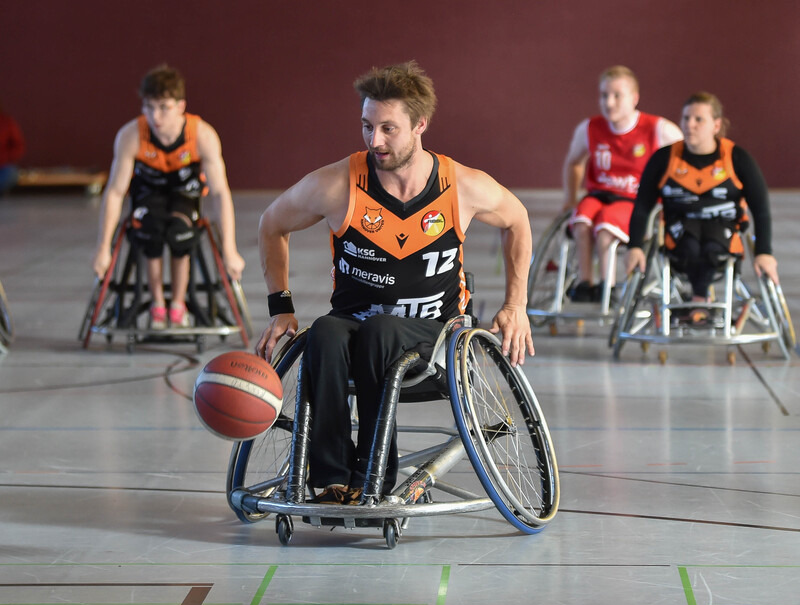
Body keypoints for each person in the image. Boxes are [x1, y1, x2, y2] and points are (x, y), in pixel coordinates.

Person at [255, 61, 534, 504]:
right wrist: (281, 307)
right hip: (354, 326)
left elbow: (517, 219)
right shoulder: (338, 184)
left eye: (388, 128)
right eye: (367, 127)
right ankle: (331, 480)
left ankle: (373, 477)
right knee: (324, 332)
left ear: (420, 124)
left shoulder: (459, 185)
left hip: (437, 336)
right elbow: (272, 224)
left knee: (383, 332)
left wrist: (515, 305)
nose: (375, 140)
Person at [92, 65, 244, 329]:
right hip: (148, 196)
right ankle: (157, 305)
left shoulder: (202, 135)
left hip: (185, 196)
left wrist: (230, 249)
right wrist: (102, 249)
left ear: (181, 106)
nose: (155, 115)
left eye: (164, 107)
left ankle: (177, 305)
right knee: (149, 231)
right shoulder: (131, 135)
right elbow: (115, 192)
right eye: (149, 107)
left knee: (180, 233)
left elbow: (220, 192)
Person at [625, 92, 777, 325]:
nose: (690, 125)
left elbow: (761, 210)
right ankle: (699, 302)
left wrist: (764, 252)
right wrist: (634, 246)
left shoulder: (737, 158)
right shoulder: (664, 158)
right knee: (689, 246)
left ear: (716, 125)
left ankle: (700, 302)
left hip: (723, 227)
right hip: (680, 227)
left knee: (713, 247)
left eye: (698, 120)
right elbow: (642, 206)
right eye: (686, 118)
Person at [561, 65, 682, 302]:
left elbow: (687, 163)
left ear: (634, 98)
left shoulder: (658, 129)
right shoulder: (589, 128)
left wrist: (673, 206)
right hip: (599, 194)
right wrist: (570, 197)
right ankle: (586, 283)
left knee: (606, 227)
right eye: (604, 95)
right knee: (581, 219)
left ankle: (611, 287)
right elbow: (573, 163)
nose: (609, 102)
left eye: (617, 95)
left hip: (635, 200)